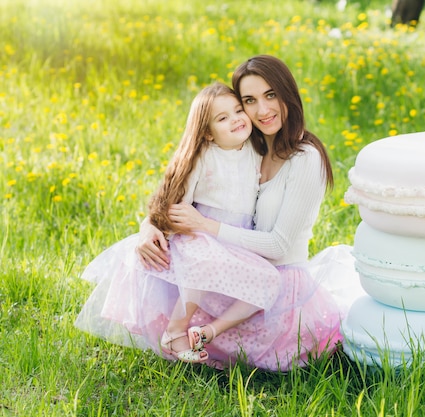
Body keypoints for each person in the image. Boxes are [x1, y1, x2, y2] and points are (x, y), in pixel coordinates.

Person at [136, 55, 360, 371]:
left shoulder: (305, 158)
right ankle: (186, 334)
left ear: (288, 95)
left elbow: (279, 247)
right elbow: (183, 183)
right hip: (232, 270)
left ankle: (204, 333)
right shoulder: (247, 145)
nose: (262, 110)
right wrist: (150, 226)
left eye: (271, 95)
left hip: (276, 282)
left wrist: (206, 225)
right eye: (249, 101)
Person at [75, 82, 283, 363]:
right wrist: (154, 226)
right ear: (207, 133)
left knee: (270, 281)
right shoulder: (203, 157)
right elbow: (175, 202)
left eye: (237, 110)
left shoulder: (256, 149)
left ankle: (209, 332)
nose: (236, 119)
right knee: (204, 259)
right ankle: (174, 332)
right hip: (201, 233)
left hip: (236, 238)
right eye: (223, 118)